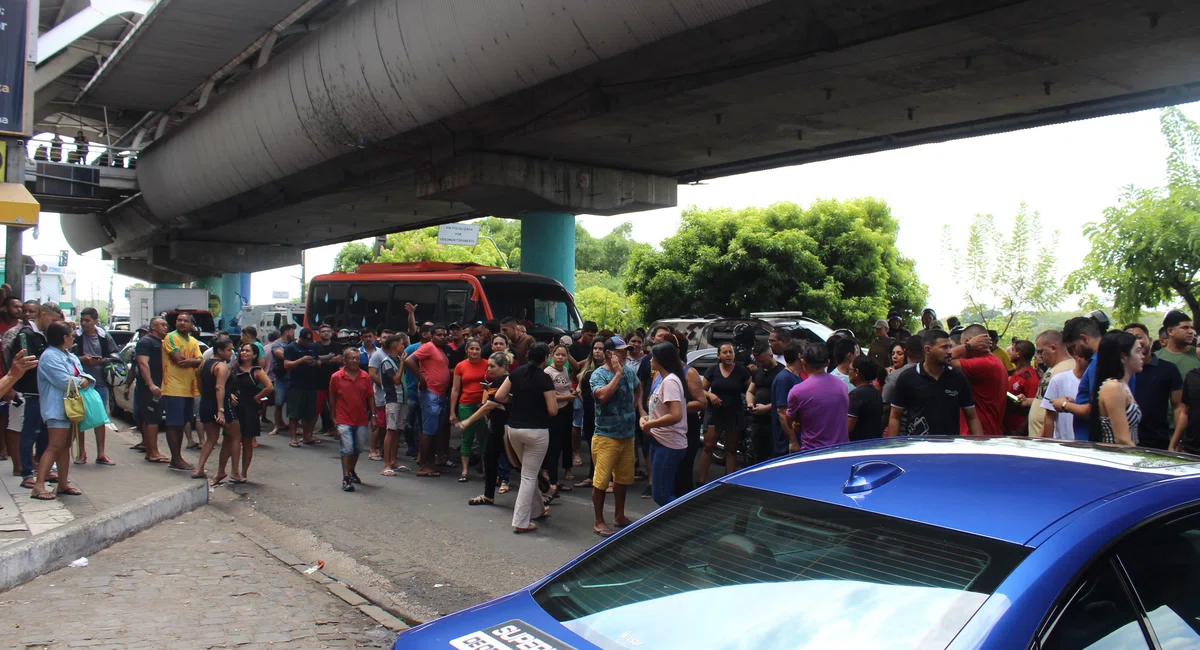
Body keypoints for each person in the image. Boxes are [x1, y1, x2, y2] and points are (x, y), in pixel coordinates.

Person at [494, 343, 558, 533]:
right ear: (546, 358)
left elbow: (499, 396)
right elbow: (553, 410)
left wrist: (515, 400)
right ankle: (521, 521)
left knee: (529, 471)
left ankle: (537, 510)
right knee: (529, 475)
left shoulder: (516, 373)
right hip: (537, 431)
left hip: (514, 429)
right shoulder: (545, 378)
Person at [29, 322, 91, 500]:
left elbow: (81, 374)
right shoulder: (49, 357)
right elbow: (64, 381)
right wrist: (82, 381)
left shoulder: (68, 355)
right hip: (56, 407)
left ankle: (63, 483)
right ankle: (38, 485)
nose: (73, 338)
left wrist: (83, 379)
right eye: (71, 335)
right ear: (64, 338)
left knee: (65, 446)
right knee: (54, 446)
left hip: (70, 408)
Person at [589, 337, 640, 537]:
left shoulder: (629, 371)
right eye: (620, 351)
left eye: (626, 351)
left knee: (623, 479)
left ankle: (619, 515)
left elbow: (638, 387)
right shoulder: (598, 375)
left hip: (627, 434)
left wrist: (637, 408)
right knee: (601, 481)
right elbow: (602, 396)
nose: (625, 354)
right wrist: (617, 374)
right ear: (610, 354)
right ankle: (598, 520)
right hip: (606, 435)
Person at [888, 329, 983, 437]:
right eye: (944, 347)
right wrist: (892, 446)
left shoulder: (958, 378)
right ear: (928, 350)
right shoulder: (907, 377)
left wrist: (979, 445)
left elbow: (972, 417)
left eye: (950, 347)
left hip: (949, 448)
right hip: (917, 448)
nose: (950, 352)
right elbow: (895, 416)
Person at [639, 341, 689, 506]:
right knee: (663, 491)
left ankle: (686, 520)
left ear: (660, 360)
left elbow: (676, 415)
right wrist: (647, 419)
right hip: (659, 441)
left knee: (662, 495)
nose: (650, 360)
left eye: (653, 357)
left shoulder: (670, 382)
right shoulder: (662, 378)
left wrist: (650, 425)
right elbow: (660, 410)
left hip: (668, 444)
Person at [69, 308, 120, 466]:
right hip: (80, 383)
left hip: (99, 382)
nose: (84, 323)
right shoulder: (76, 336)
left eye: (87, 320)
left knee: (100, 419)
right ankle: (82, 452)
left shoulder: (104, 337)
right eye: (82, 320)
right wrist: (81, 359)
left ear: (96, 321)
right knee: (80, 418)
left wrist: (102, 361)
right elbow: (67, 355)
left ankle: (101, 454)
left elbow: (115, 356)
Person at [462, 352, 511, 505]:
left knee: (517, 463)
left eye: (492, 366)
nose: (488, 369)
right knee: (491, 459)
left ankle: (546, 488)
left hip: (503, 428)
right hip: (499, 427)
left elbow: (490, 405)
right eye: (488, 366)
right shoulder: (502, 381)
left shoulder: (502, 382)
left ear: (503, 367)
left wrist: (468, 421)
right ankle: (488, 495)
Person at [1124, 323, 1182, 450]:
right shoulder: (1121, 372)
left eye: (1139, 337)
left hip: (1158, 441)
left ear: (1149, 340)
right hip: (1126, 442)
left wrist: (1176, 442)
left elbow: (1178, 406)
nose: (1136, 342)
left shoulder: (1168, 369)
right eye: (1130, 339)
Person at [698, 343, 750, 481]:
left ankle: (729, 482)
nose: (728, 355)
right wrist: (710, 395)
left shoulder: (741, 371)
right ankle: (702, 481)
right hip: (714, 412)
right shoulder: (713, 370)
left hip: (734, 412)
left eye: (730, 352)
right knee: (708, 446)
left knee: (731, 449)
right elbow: (701, 390)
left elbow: (751, 389)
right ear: (719, 355)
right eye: (725, 352)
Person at [784, 342, 850, 450]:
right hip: (840, 450)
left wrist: (798, 423)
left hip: (813, 453)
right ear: (828, 362)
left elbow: (789, 419)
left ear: (803, 362)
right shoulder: (841, 385)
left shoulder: (797, 391)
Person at [406, 324, 452, 476]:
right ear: (431, 336)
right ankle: (425, 465)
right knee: (428, 430)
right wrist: (421, 378)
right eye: (439, 335)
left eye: (444, 335)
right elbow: (410, 360)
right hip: (430, 393)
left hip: (439, 394)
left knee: (434, 431)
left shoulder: (440, 350)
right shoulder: (429, 347)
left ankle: (431, 464)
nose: (443, 337)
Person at [328, 348, 375, 491]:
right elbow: (332, 397)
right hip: (343, 418)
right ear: (344, 360)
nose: (354, 361)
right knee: (347, 448)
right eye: (351, 358)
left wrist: (373, 416)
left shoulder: (365, 377)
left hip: (360, 418)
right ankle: (346, 477)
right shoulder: (336, 377)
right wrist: (333, 417)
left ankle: (351, 470)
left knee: (359, 447)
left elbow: (370, 396)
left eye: (356, 358)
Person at [949, 324, 1008, 435]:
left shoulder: (985, 364)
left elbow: (942, 359)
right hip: (986, 431)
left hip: (979, 434)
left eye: (963, 343)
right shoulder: (992, 360)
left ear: (970, 341)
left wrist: (967, 346)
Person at [162, 313, 202, 472]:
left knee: (181, 424)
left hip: (189, 389)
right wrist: (194, 361)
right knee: (173, 424)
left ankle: (177, 458)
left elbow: (200, 360)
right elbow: (180, 361)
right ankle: (176, 458)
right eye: (179, 320)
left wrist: (193, 361)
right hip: (173, 387)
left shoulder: (193, 341)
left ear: (192, 324)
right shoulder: (170, 338)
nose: (182, 323)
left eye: (186, 321)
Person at [1092, 331, 1144, 446]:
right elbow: (1122, 439)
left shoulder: (1122, 385)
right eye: (1138, 351)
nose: (1142, 356)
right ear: (1123, 357)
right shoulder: (1113, 387)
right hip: (1117, 455)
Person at [195, 338, 235, 481]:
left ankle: (199, 468)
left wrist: (205, 394)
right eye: (229, 350)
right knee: (234, 436)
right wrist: (221, 410)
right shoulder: (221, 367)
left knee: (211, 438)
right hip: (219, 404)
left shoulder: (204, 364)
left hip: (206, 402)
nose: (232, 353)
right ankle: (223, 470)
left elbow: (198, 379)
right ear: (219, 351)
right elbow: (219, 387)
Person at [450, 339, 489, 481]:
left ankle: (486, 469)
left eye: (477, 349)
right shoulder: (460, 366)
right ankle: (465, 471)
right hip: (465, 404)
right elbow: (455, 389)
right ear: (466, 350)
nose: (474, 351)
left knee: (484, 437)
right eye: (471, 349)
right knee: (467, 437)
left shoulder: (487, 364)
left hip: (483, 405)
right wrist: (452, 411)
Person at [134, 317, 170, 463]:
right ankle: (153, 452)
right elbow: (143, 364)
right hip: (150, 387)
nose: (164, 327)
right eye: (161, 325)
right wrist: (151, 384)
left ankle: (150, 451)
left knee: (151, 418)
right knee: (152, 419)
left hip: (158, 385)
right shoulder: (145, 342)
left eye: (165, 325)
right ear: (152, 327)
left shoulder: (160, 342)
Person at [572, 339, 606, 489]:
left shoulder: (609, 369)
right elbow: (580, 386)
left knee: (603, 445)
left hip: (603, 413)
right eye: (595, 348)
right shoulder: (588, 367)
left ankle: (603, 477)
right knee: (593, 444)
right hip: (588, 410)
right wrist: (579, 393)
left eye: (600, 348)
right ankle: (592, 475)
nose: (597, 351)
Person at [1029, 330, 1074, 437]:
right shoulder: (1054, 368)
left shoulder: (1067, 369)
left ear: (1053, 348)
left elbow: (1057, 409)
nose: (1039, 356)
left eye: (1041, 351)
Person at [543, 343, 575, 491]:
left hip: (566, 411)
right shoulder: (548, 373)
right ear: (551, 356)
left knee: (563, 443)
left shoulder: (565, 370)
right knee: (553, 447)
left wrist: (573, 392)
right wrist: (567, 398)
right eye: (558, 354)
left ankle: (555, 480)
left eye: (564, 355)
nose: (561, 357)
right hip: (554, 412)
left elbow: (567, 387)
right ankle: (552, 482)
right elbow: (550, 395)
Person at [745, 341, 782, 463]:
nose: (761, 364)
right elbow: (750, 391)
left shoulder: (781, 373)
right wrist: (750, 403)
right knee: (757, 454)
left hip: (773, 423)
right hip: (757, 422)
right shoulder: (759, 371)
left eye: (763, 361)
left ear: (771, 355)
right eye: (758, 361)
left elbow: (784, 400)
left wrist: (767, 408)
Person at [284, 328, 322, 447]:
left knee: (309, 413)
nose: (307, 343)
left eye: (309, 340)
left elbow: (318, 360)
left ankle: (307, 436)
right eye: (305, 340)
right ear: (300, 338)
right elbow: (286, 364)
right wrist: (301, 360)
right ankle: (293, 438)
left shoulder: (312, 347)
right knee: (294, 414)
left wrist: (315, 363)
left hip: (311, 384)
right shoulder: (291, 347)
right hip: (296, 385)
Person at [378, 334, 409, 476]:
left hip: (402, 399)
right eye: (401, 344)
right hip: (392, 399)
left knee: (398, 430)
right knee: (390, 430)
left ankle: (393, 461)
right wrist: (403, 363)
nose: (403, 346)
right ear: (394, 346)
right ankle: (386, 464)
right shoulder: (387, 362)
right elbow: (396, 380)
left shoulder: (396, 360)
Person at [1043, 349, 1086, 440]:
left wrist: (1066, 405)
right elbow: (1049, 417)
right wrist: (1048, 443)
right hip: (1062, 442)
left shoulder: (1097, 382)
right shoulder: (1059, 380)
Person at [772, 343, 806, 453]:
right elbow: (782, 412)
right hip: (786, 441)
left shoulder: (796, 376)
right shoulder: (784, 378)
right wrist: (793, 441)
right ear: (800, 356)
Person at [1003, 340, 1041, 435]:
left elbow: (1033, 406)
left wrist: (1021, 429)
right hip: (1007, 426)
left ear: (1018, 354)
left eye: (1013, 350)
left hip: (1019, 429)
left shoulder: (1031, 378)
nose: (1010, 353)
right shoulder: (1014, 374)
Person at [1168, 343, 1200, 453]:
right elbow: (1185, 412)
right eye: (1199, 346)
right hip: (1191, 449)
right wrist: (1173, 445)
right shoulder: (1192, 376)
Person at [266, 323, 296, 436]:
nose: (293, 333)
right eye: (292, 331)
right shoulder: (276, 344)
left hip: (293, 377)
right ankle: (277, 425)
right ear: (286, 331)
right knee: (278, 403)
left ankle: (293, 426)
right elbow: (282, 355)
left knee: (292, 404)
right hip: (281, 377)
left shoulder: (294, 343)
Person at [314, 324, 344, 434]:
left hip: (334, 381)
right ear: (319, 333)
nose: (326, 333)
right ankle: (323, 427)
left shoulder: (337, 345)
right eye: (323, 331)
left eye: (328, 331)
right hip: (319, 381)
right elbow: (315, 362)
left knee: (335, 407)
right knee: (318, 407)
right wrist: (331, 356)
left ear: (331, 333)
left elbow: (340, 359)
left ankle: (335, 430)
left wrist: (323, 360)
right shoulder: (315, 346)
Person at [847, 356, 883, 441]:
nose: (848, 373)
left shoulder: (856, 395)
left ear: (857, 372)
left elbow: (848, 428)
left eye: (850, 369)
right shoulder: (876, 393)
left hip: (857, 445)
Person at [1157, 310, 1199, 376]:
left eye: (1191, 328)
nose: (1191, 332)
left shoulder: (1198, 355)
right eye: (1185, 328)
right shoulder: (1156, 358)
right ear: (1170, 331)